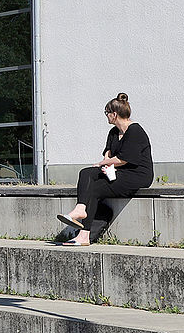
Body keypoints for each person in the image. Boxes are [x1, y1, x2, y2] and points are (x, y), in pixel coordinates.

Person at [57, 93, 153, 246]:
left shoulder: (135, 131)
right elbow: (108, 152)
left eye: (106, 112)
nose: (106, 116)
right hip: (119, 172)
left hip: (137, 175)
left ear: (114, 114)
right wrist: (106, 161)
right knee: (86, 174)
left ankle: (82, 221)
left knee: (93, 180)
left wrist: (105, 163)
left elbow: (124, 159)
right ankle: (83, 227)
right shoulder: (114, 132)